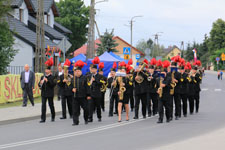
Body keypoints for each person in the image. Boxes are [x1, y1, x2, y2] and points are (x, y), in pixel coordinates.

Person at [86, 57, 103, 122]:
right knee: (90, 106)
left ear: (96, 69)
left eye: (93, 69)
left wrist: (95, 80)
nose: (92, 70)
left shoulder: (99, 76)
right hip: (91, 93)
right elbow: (87, 84)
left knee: (98, 106)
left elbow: (101, 83)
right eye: (91, 69)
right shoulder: (89, 75)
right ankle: (90, 118)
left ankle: (99, 117)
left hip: (97, 93)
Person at [72, 60, 89, 125]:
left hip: (83, 96)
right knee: (75, 110)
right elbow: (70, 86)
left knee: (86, 109)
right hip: (75, 96)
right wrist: (72, 89)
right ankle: (75, 121)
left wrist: (88, 95)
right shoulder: (73, 79)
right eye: (76, 71)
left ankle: (86, 119)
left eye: (78, 71)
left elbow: (87, 87)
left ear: (81, 71)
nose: (77, 72)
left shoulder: (84, 78)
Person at [39, 58, 56, 123]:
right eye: (45, 69)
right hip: (43, 93)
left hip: (50, 93)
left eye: (47, 70)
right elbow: (39, 84)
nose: (46, 71)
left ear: (49, 70)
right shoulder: (43, 76)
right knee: (43, 105)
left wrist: (47, 81)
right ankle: (43, 118)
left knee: (51, 105)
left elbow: (53, 85)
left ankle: (53, 116)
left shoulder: (52, 77)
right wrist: (40, 83)